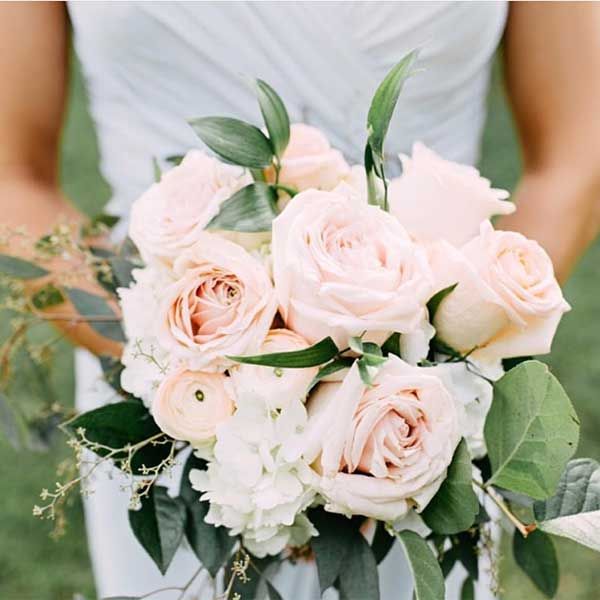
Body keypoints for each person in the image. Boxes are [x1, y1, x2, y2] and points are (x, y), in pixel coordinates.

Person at [1, 2, 599, 599]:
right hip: (161, 377)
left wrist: (451, 340)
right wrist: (194, 377)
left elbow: (576, 153)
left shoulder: (423, 406)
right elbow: (11, 177)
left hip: (418, 424)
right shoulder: (167, 375)